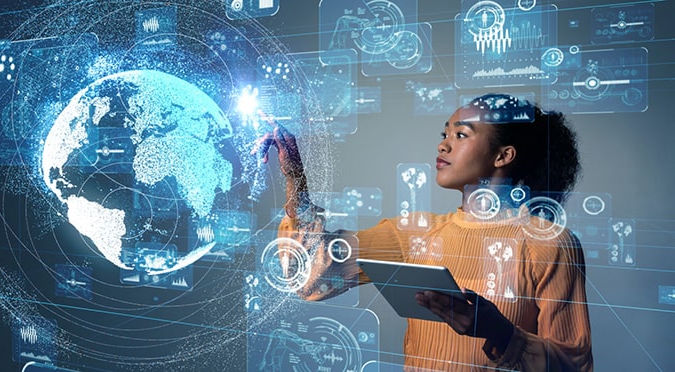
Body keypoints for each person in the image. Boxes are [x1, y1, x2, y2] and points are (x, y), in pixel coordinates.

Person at [253, 93, 593, 371]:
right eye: (444, 134)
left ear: (503, 155)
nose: (443, 146)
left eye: (461, 135)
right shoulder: (415, 232)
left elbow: (575, 365)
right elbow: (310, 276)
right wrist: (295, 177)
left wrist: (501, 334)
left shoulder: (548, 244)